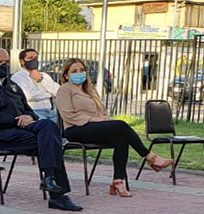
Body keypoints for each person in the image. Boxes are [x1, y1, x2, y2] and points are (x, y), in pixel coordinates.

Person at [0, 47, 82, 212]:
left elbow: (27, 109)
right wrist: (14, 120)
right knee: (51, 143)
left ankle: (49, 180)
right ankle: (57, 195)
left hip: (22, 130)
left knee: (48, 127)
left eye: (6, 62)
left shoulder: (11, 85)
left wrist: (30, 117)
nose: (3, 66)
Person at [55, 57, 173, 197]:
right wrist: (96, 120)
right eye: (74, 71)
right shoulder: (64, 90)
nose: (79, 73)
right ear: (66, 75)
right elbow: (68, 116)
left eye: (82, 70)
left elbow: (102, 111)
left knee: (120, 139)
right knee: (120, 125)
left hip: (94, 128)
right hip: (75, 129)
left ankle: (118, 181)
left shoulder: (91, 90)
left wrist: (104, 120)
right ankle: (150, 157)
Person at [11, 48, 60, 123]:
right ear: (22, 61)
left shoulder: (44, 76)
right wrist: (48, 94)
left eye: (36, 58)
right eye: (30, 58)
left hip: (51, 112)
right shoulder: (17, 77)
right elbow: (28, 96)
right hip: (34, 112)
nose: (34, 60)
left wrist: (40, 80)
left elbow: (58, 91)